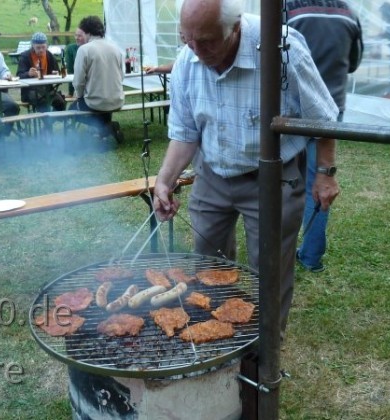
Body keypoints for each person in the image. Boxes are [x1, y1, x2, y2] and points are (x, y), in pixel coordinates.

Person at [152, 0, 340, 334]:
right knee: (208, 259)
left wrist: (325, 173)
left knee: (268, 269)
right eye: (187, 39)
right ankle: (215, 330)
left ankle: (266, 349)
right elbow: (185, 133)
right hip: (212, 174)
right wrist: (164, 180)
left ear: (235, 26)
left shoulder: (283, 50)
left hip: (272, 178)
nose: (196, 50)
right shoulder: (187, 59)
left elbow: (323, 117)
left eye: (207, 41)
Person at [288, 0, 363, 273]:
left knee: (285, 181)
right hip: (332, 109)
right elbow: (353, 63)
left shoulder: (287, 8)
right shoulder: (349, 13)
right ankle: (311, 257)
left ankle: (282, 250)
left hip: (294, 111)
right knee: (319, 183)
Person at [69, 16, 124, 142]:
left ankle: (105, 128)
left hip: (96, 103)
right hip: (117, 100)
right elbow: (122, 77)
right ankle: (104, 131)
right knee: (102, 107)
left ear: (87, 32)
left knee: (72, 110)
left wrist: (79, 96)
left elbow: (78, 81)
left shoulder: (84, 50)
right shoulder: (115, 48)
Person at [17, 32, 66, 113]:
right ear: (33, 46)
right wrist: (28, 74)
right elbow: (19, 75)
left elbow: (57, 72)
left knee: (61, 103)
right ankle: (47, 124)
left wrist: (55, 73)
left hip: (48, 89)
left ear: (46, 45)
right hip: (30, 90)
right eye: (38, 48)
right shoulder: (25, 56)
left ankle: (52, 121)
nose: (41, 50)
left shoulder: (49, 55)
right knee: (43, 103)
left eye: (43, 47)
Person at [65, 28, 86, 97]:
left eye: (80, 36)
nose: (77, 38)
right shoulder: (71, 48)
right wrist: (71, 92)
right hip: (79, 86)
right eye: (76, 35)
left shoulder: (92, 48)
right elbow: (70, 71)